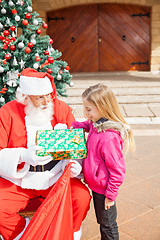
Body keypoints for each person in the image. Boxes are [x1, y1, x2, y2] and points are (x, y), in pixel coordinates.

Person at [0, 68, 91, 240]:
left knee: (81, 198)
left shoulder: (61, 109)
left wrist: (73, 163)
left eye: (48, 94)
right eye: (39, 97)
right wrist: (22, 156)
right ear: (25, 97)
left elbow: (76, 144)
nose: (47, 100)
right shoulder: (7, 112)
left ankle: (66, 234)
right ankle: (26, 233)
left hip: (55, 176)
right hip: (20, 179)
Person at [71, 84, 135, 240]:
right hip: (97, 184)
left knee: (107, 224)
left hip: (105, 190)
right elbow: (88, 125)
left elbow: (118, 171)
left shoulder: (108, 138)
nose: (85, 114)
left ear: (102, 107)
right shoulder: (96, 123)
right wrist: (76, 125)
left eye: (88, 109)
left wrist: (111, 195)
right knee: (103, 221)